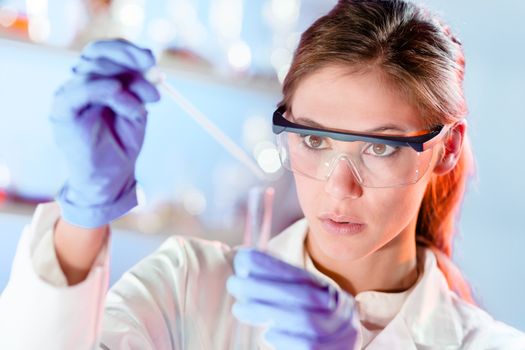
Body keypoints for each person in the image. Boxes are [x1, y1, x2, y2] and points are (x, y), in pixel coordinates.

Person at [1, 0, 524, 349]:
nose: (338, 187)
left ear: (447, 147)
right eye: (315, 139)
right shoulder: (190, 285)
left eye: (380, 147)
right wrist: (83, 214)